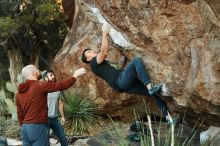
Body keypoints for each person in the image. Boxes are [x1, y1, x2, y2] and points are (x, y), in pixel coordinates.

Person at [81, 23, 174, 123]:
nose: (91, 51)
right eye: (89, 52)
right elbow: (103, 52)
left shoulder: (103, 64)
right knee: (136, 61)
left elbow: (117, 67)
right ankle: (149, 87)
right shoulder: (93, 64)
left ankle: (169, 119)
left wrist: (124, 53)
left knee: (155, 94)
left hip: (124, 84)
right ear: (88, 59)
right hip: (121, 81)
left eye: (90, 50)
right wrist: (104, 33)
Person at [16, 65, 86, 146]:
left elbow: (19, 114)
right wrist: (75, 75)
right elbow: (61, 85)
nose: (39, 70)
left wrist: (23, 127)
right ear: (34, 73)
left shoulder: (19, 94)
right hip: (37, 127)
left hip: (25, 128)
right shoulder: (39, 85)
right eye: (37, 69)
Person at [43, 71, 68, 146]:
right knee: (45, 142)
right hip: (45, 119)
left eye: (54, 75)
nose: (53, 76)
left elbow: (60, 104)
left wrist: (63, 116)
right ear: (46, 78)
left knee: (63, 139)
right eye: (51, 75)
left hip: (55, 119)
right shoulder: (43, 89)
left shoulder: (57, 89)